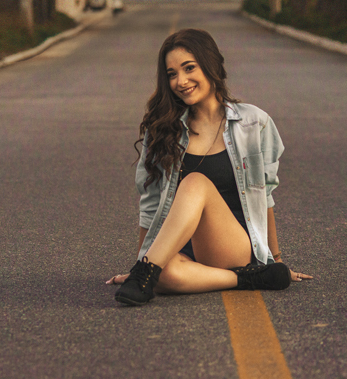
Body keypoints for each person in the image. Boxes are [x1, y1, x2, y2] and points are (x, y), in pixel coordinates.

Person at [107, 28, 312, 306]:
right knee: (162, 275)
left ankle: (149, 272)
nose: (181, 81)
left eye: (189, 68)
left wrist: (276, 260)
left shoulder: (254, 123)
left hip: (232, 245)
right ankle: (250, 278)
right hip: (182, 249)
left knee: (195, 182)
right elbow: (151, 203)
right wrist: (142, 261)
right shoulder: (163, 130)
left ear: (211, 64)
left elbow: (264, 195)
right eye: (171, 74)